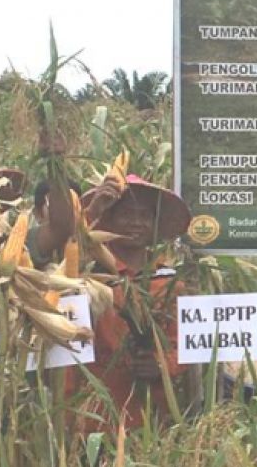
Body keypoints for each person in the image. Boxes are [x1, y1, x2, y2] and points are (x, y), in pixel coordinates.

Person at [71, 171, 192, 432]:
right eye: (126, 214)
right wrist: (91, 212)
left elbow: (186, 344)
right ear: (109, 221)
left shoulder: (169, 283)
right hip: (92, 416)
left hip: (149, 417)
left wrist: (162, 365)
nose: (136, 223)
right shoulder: (87, 275)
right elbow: (65, 249)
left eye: (144, 216)